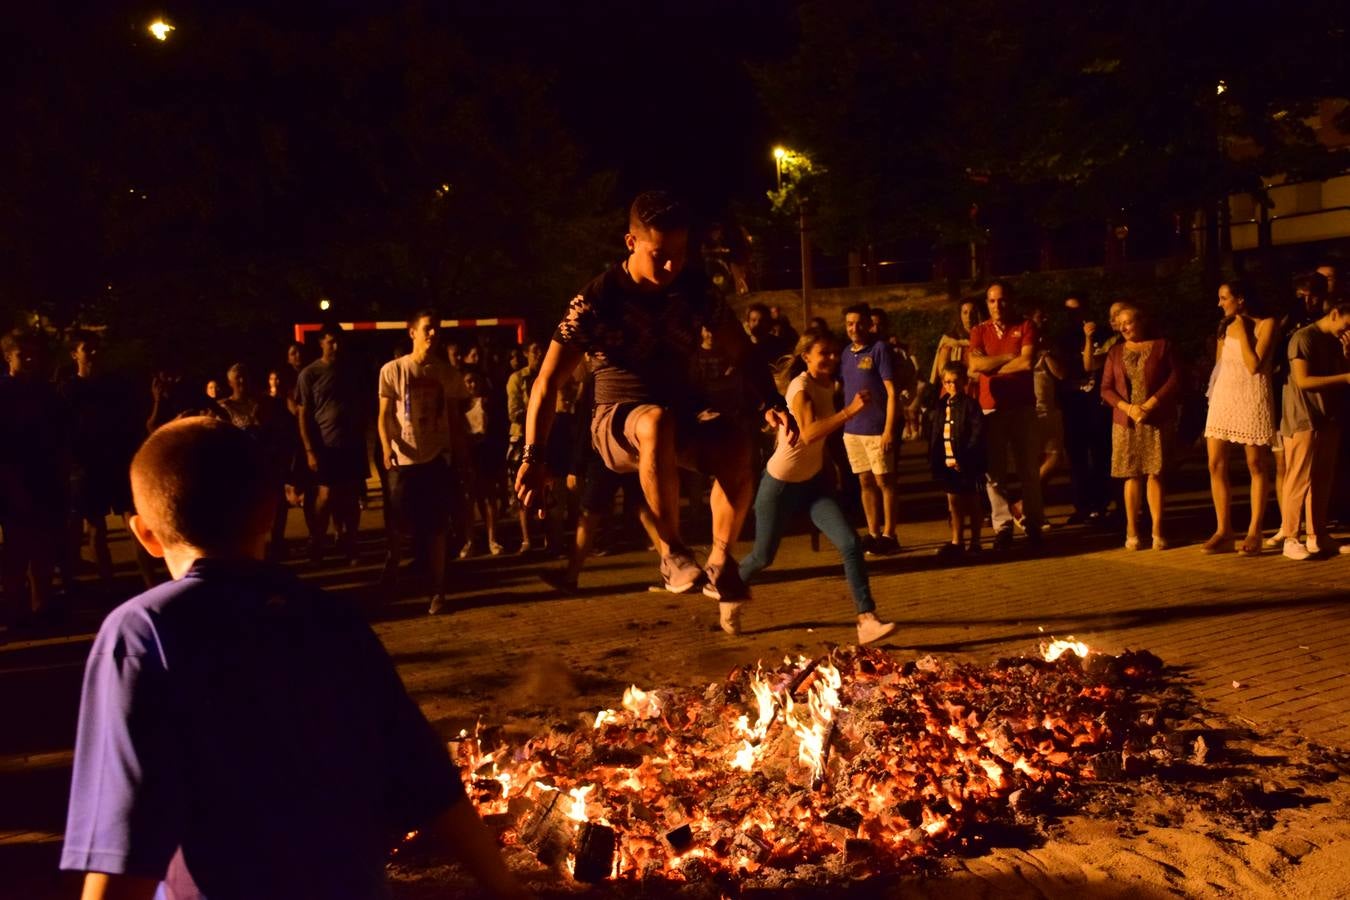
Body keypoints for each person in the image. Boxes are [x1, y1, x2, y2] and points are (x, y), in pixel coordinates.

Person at [59, 417, 525, 900]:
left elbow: (127, 847)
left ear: (145, 534)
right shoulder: (333, 619)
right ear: (272, 511)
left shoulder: (143, 633)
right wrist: (506, 888)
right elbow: (430, 783)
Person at [516, 191, 794, 621]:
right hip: (616, 418)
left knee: (737, 442)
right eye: (659, 255)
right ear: (631, 243)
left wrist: (771, 401)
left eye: (680, 254)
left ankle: (721, 562)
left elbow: (741, 351)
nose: (671, 266)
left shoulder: (695, 288)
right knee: (654, 422)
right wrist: (534, 454)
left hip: (681, 411)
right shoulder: (596, 300)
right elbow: (546, 381)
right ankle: (671, 552)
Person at [738, 332, 897, 644]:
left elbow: (818, 442)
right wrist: (850, 411)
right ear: (806, 356)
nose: (832, 359)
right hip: (781, 483)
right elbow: (810, 433)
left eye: (835, 354)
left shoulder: (828, 384)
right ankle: (728, 593)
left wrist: (829, 466)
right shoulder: (801, 387)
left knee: (850, 543)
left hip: (812, 484)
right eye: (824, 353)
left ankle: (866, 619)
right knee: (762, 557)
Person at [378, 309, 468, 615]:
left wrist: (461, 458)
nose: (433, 334)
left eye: (436, 329)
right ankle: (392, 569)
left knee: (437, 527)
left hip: (435, 458)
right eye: (427, 328)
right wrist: (387, 446)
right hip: (404, 458)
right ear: (412, 331)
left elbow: (455, 421)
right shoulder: (393, 370)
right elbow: (384, 415)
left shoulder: (447, 374)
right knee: (398, 522)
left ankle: (438, 590)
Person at [1201, 281, 1276, 555]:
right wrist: (1212, 398)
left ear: (1241, 300)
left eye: (1224, 298)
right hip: (1224, 396)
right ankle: (1224, 530)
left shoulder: (1266, 323)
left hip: (1252, 395)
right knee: (1215, 464)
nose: (1220, 303)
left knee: (1255, 463)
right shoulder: (1224, 325)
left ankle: (1255, 530)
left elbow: (1254, 364)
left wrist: (1242, 329)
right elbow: (1221, 365)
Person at [0, 330, 69, 629]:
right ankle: (14, 606)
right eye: (21, 354)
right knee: (18, 545)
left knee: (44, 543)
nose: (29, 359)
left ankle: (41, 603)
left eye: (32, 354)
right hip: (14, 476)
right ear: (7, 357)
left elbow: (59, 435)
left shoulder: (45, 391)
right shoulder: (4, 392)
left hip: (46, 476)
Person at [968, 281, 1044, 548]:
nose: (997, 305)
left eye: (1001, 300)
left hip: (1022, 406)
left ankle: (1033, 522)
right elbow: (975, 365)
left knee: (1028, 469)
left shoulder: (1025, 326)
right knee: (994, 472)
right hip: (991, 407)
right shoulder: (979, 331)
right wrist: (1006, 359)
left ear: (1010, 300)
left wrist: (992, 366)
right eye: (991, 301)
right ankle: (1002, 526)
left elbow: (1026, 362)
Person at [60, 331, 138, 587]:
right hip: (88, 464)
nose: (94, 353)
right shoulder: (70, 389)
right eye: (87, 349)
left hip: (115, 460)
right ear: (75, 355)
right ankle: (107, 583)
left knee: (134, 521)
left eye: (96, 348)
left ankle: (148, 579)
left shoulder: (113, 385)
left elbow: (126, 421)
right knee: (95, 526)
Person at [1100, 305, 1182, 550]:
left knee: (1155, 473)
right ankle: (1132, 529)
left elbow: (1176, 378)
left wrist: (1150, 405)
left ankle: (1157, 529)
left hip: (1155, 418)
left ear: (1141, 321)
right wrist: (1128, 408)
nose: (1124, 328)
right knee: (1132, 474)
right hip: (1126, 422)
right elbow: (1105, 388)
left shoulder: (1162, 346)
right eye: (1120, 324)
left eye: (1129, 322)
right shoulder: (1115, 352)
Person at [1277, 299, 1350, 559]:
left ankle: (1317, 535)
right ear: (1335, 314)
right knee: (1299, 476)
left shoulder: (1336, 342)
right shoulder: (1303, 338)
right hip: (1303, 415)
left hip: (1328, 416)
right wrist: (1345, 378)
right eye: (1347, 323)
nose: (1347, 330)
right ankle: (1290, 537)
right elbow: (1303, 380)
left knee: (1323, 477)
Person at [296, 323, 369, 566]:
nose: (336, 347)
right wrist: (309, 450)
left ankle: (351, 543)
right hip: (325, 445)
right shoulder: (310, 374)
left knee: (350, 495)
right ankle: (317, 541)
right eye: (331, 342)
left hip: (350, 443)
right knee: (325, 496)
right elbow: (303, 413)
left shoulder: (350, 370)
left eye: (338, 342)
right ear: (321, 343)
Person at [840, 303, 902, 555]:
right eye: (849, 324)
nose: (854, 328)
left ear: (869, 324)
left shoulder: (880, 350)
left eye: (858, 323)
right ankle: (873, 532)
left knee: (884, 481)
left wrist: (888, 429)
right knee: (864, 481)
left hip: (876, 428)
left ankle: (890, 534)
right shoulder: (845, 353)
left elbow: (891, 391)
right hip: (852, 429)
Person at [1058, 297, 1116, 526]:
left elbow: (1090, 365)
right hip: (1073, 403)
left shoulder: (1102, 335)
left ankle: (1100, 503)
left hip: (1096, 402)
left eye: (1079, 310)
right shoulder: (1063, 338)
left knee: (1100, 454)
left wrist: (1089, 337)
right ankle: (1082, 505)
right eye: (1070, 311)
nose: (1076, 316)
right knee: (1076, 456)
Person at [930, 362, 986, 559]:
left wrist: (968, 457)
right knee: (953, 502)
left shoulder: (970, 405)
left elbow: (977, 433)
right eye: (947, 382)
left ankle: (976, 541)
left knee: (972, 500)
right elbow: (936, 432)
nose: (951, 386)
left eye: (955, 382)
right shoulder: (941, 405)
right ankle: (957, 541)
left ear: (963, 382)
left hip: (966, 461)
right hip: (947, 461)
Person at [460, 366, 505, 557]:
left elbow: (496, 428)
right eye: (468, 381)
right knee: (468, 499)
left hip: (485, 452)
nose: (472, 385)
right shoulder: (459, 406)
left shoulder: (488, 402)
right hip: (467, 454)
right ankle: (469, 541)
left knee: (488, 498)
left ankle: (492, 539)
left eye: (475, 380)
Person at [506, 341, 546, 553]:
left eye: (541, 351)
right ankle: (526, 539)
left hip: (543, 438)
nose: (539, 355)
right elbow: (514, 411)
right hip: (521, 438)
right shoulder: (517, 379)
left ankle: (548, 536)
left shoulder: (546, 377)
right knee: (524, 488)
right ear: (526, 354)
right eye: (535, 351)